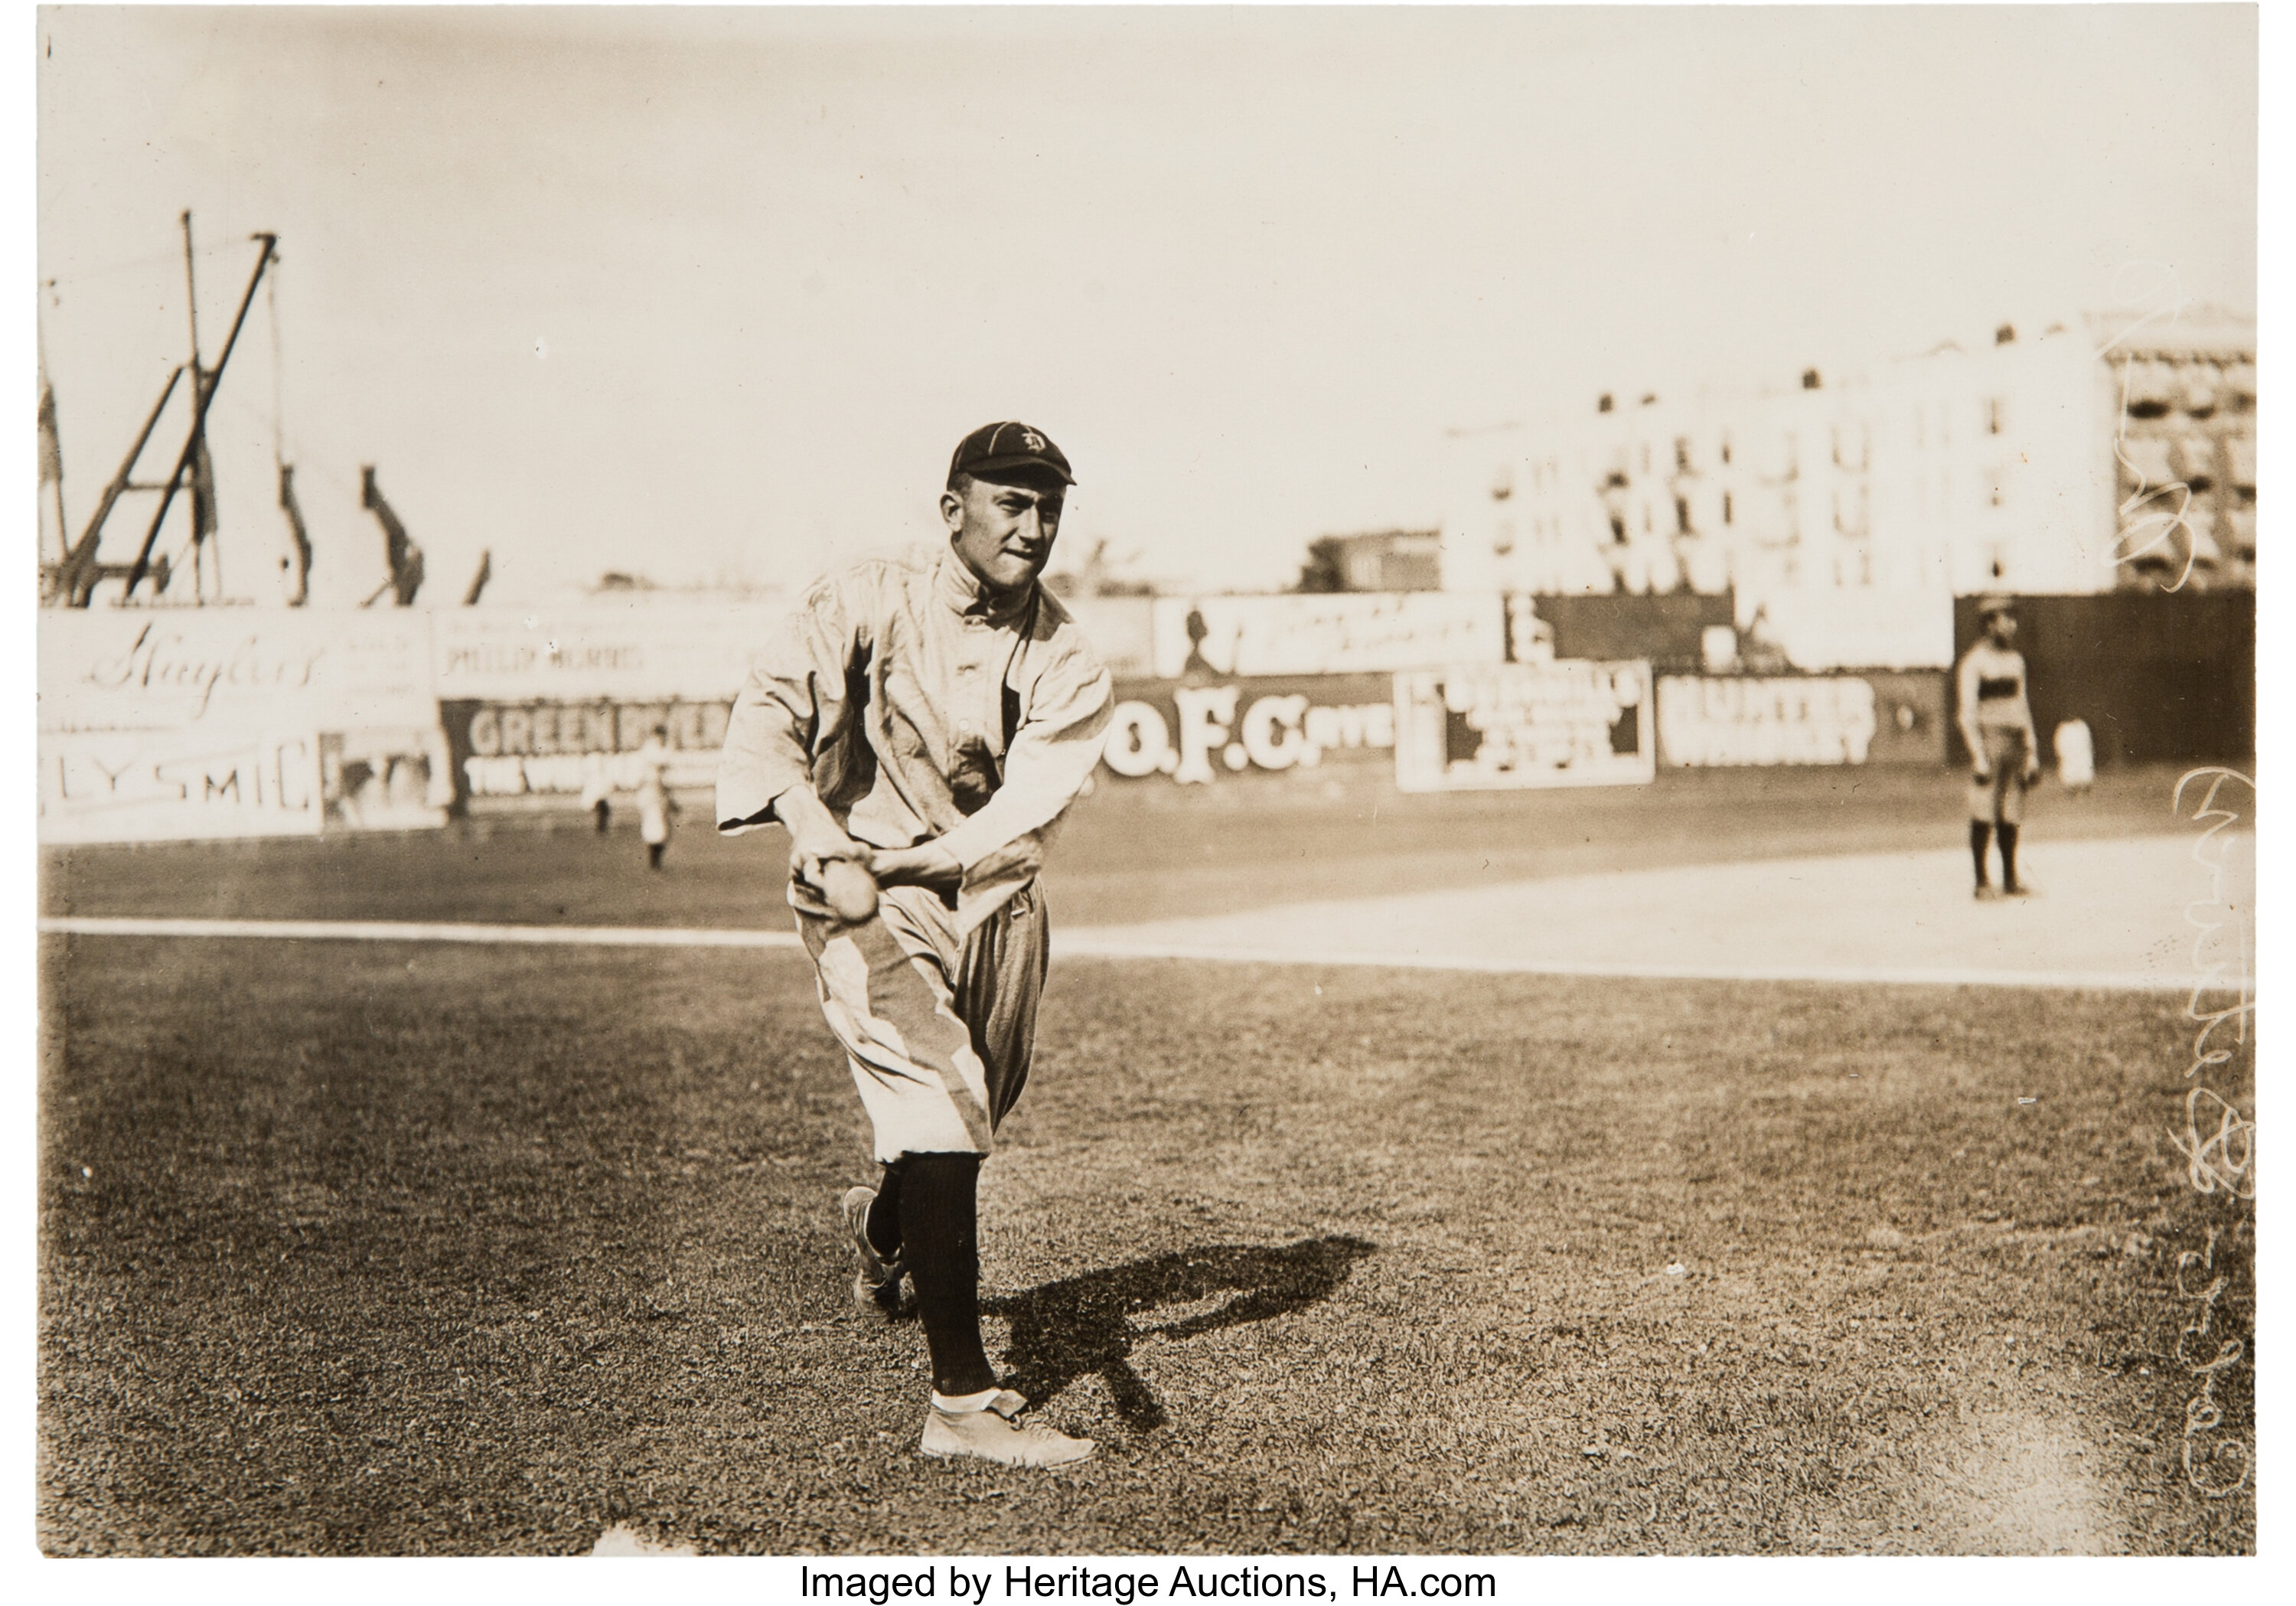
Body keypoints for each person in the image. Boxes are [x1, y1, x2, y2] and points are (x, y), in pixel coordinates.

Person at [716, 422, 1114, 1467]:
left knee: (973, 1104)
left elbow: (1018, 817)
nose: (1035, 525)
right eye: (1011, 503)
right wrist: (819, 836)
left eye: (1049, 506)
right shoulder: (862, 595)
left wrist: (898, 866)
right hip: (865, 898)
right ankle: (962, 1402)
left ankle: (885, 1230)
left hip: (990, 896)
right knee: (943, 1104)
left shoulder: (1068, 654)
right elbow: (765, 727)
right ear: (954, 512)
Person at [1956, 594, 2041, 897]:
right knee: (1983, 811)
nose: (2012, 625)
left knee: (2011, 812)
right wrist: (1978, 755)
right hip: (1990, 741)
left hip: (2015, 742)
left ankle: (2010, 880)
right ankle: (1981, 883)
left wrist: (2032, 750)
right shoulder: (1975, 662)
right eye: (2006, 619)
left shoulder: (2015, 661)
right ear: (1990, 623)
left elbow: (2023, 707)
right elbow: (1966, 714)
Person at [635, 725, 678, 870]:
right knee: (657, 826)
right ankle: (654, 861)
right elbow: (646, 776)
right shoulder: (649, 752)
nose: (661, 739)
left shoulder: (660, 751)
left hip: (659, 793)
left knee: (663, 828)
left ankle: (655, 859)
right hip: (651, 792)